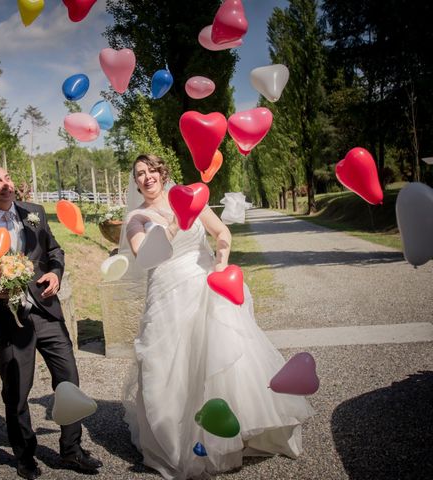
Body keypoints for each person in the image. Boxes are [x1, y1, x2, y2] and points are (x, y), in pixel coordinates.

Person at [121, 154, 315, 479]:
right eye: (140, 173)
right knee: (170, 364)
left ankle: (231, 431)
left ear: (161, 171)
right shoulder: (137, 217)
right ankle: (177, 440)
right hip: (166, 295)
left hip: (203, 282)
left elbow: (221, 232)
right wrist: (173, 222)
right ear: (136, 181)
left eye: (151, 170)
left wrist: (222, 258)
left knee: (217, 354)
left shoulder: (191, 195)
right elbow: (145, 256)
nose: (146, 177)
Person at [0, 164, 102, 480]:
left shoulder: (35, 212)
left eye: (7, 178)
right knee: (17, 391)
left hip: (47, 311)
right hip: (9, 320)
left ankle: (71, 450)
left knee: (69, 380)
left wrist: (55, 274)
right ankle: (25, 456)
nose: (5, 184)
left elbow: (55, 250)